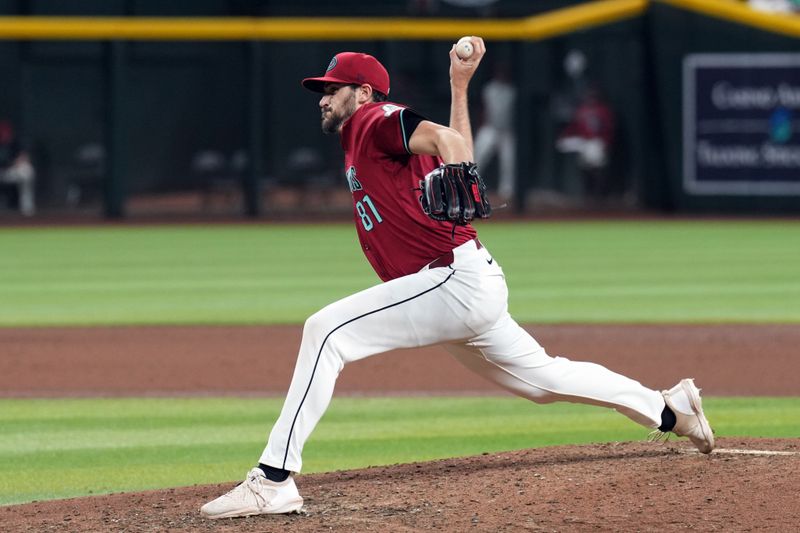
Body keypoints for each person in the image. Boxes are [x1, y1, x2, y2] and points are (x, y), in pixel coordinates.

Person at [200, 38, 714, 520]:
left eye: (331, 89)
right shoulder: (376, 137)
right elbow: (451, 140)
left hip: (450, 279)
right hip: (463, 283)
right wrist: (459, 86)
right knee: (544, 380)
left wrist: (457, 164)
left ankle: (273, 479)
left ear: (362, 92)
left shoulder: (376, 119)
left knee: (325, 332)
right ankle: (670, 410)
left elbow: (449, 141)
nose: (322, 98)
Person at [556, 86, 616, 200]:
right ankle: (589, 193)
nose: (591, 98)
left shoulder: (604, 110)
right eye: (589, 96)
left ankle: (600, 195)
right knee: (585, 168)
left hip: (598, 142)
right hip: (584, 142)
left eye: (593, 96)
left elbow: (609, 129)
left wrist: (606, 143)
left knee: (598, 169)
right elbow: (573, 126)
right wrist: (565, 136)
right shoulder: (582, 110)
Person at [473, 62, 517, 202]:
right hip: (490, 128)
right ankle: (470, 186)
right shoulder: (489, 88)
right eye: (499, 72)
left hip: (506, 130)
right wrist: (481, 125)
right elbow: (483, 108)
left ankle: (507, 192)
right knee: (477, 158)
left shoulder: (512, 90)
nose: (502, 75)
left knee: (508, 161)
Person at [0, 119, 36, 216]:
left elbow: (24, 157)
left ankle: (27, 208)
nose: (4, 135)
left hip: (10, 171)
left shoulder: (16, 142)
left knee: (27, 171)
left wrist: (18, 161)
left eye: (6, 132)